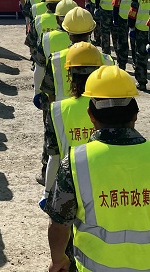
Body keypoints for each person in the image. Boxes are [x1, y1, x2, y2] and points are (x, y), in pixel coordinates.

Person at [44, 65, 150, 272]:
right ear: (135, 115)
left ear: (91, 115)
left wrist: (58, 260)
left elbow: (59, 224)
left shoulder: (75, 162)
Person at [40, 43, 107, 206]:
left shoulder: (57, 110)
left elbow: (54, 158)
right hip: (103, 185)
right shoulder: (110, 107)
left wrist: (47, 193)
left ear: (69, 75)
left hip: (70, 187)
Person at [111, 0, 141, 71]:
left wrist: (115, 19)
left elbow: (116, 4)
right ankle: (136, 64)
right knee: (135, 44)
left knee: (122, 43)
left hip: (123, 18)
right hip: (136, 19)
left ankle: (122, 66)